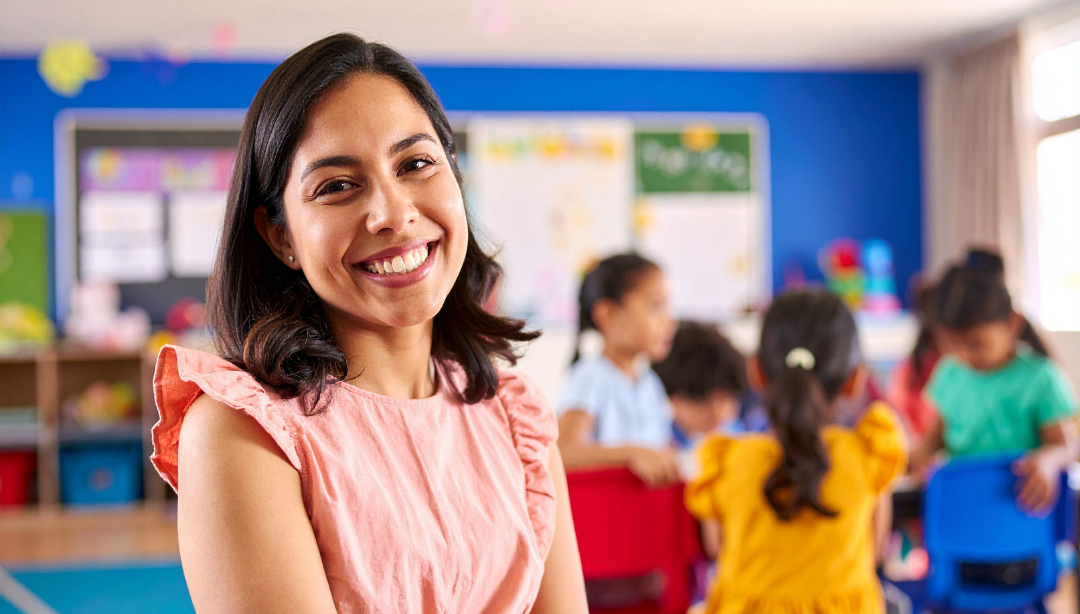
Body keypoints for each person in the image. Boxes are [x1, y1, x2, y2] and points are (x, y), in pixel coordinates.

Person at [149, 33, 587, 614]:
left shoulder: (514, 415)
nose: (393, 214)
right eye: (336, 186)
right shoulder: (244, 433)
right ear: (281, 236)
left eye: (417, 164)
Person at [685, 288, 907, 614]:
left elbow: (716, 547)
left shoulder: (727, 460)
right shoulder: (868, 453)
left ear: (756, 372)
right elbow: (875, 550)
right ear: (855, 379)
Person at [913, 249, 1079, 513]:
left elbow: (1068, 446)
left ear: (1012, 324)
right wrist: (919, 461)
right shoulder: (949, 374)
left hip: (1024, 510)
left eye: (977, 344)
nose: (965, 355)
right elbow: (931, 443)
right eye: (953, 344)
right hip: (965, 510)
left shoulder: (1041, 378)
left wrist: (1047, 461)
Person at [556, 253, 679, 487]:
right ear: (609, 315)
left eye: (667, 307)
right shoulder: (590, 377)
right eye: (655, 306)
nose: (669, 321)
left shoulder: (650, 384)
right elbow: (563, 452)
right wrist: (632, 454)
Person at [653, 320, 749, 450]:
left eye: (726, 398)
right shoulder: (656, 440)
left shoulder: (737, 436)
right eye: (705, 400)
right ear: (671, 397)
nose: (718, 413)